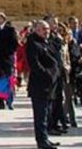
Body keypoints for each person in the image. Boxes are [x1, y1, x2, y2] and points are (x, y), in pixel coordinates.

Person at [26, 20, 60, 149]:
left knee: (46, 114)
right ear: (36, 30)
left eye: (47, 29)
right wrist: (48, 75)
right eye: (43, 29)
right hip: (40, 85)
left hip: (50, 85)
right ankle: (41, 141)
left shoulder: (47, 42)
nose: (47, 31)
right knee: (40, 114)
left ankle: (45, 137)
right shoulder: (33, 44)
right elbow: (35, 64)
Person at [0, 13, 18, 110]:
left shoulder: (10, 30)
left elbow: (14, 43)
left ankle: (9, 101)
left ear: (3, 19)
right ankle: (0, 101)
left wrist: (9, 53)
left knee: (8, 80)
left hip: (7, 59)